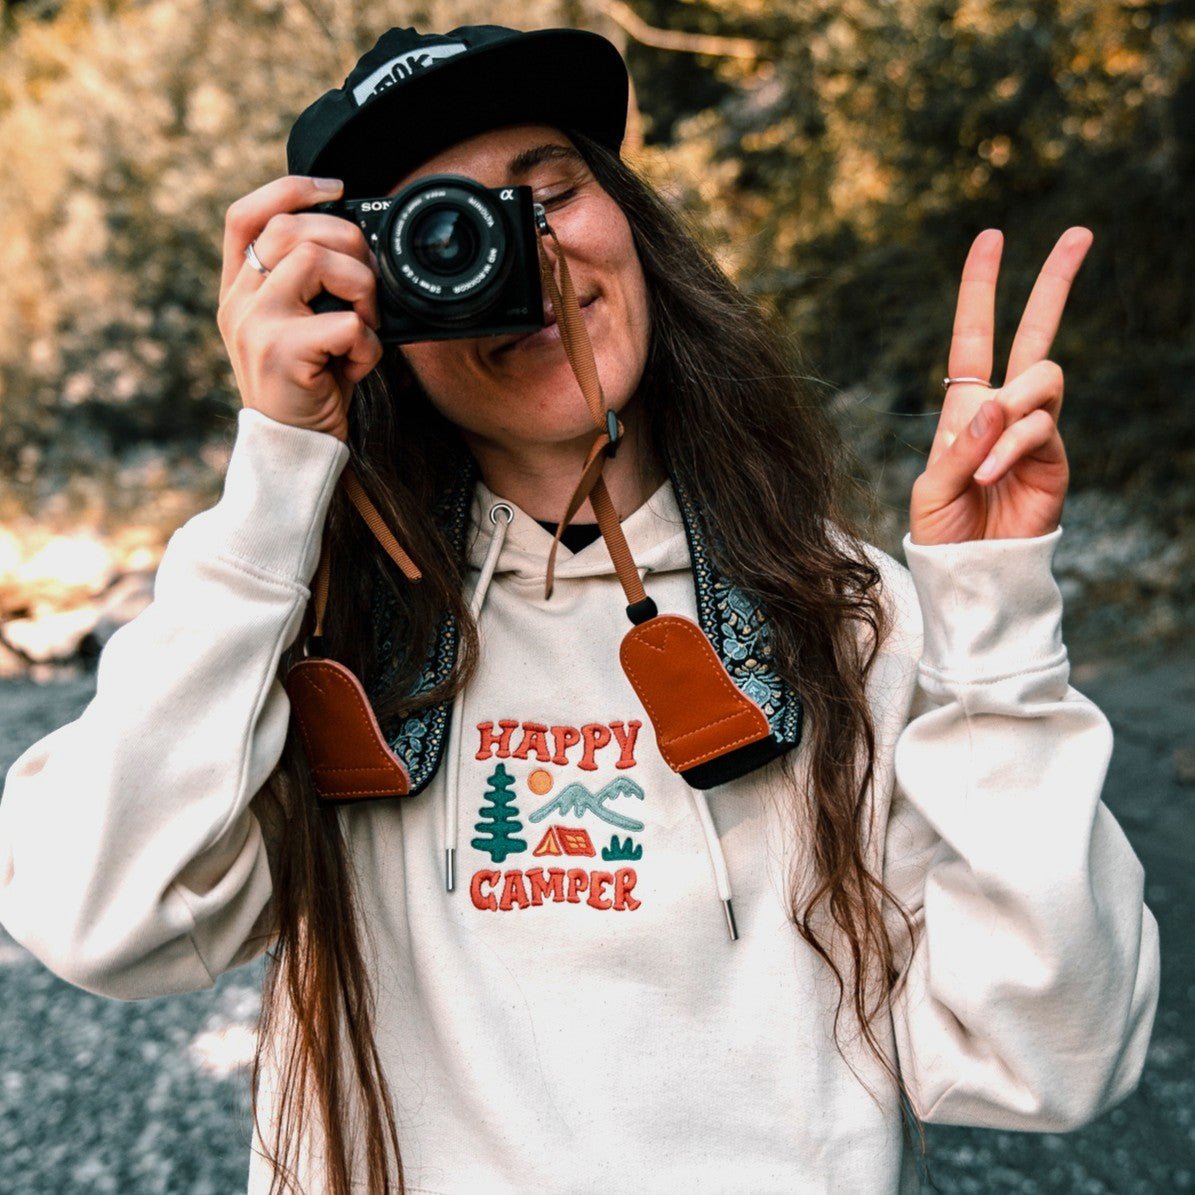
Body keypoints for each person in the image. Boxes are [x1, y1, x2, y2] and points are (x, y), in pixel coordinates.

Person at [0, 23, 1159, 1195]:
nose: (518, 249)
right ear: (369, 313)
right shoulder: (313, 638)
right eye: (439, 233)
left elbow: (1048, 1056)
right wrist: (272, 484)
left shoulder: (843, 618)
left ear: (635, 229)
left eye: (546, 191)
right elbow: (101, 916)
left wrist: (996, 618)